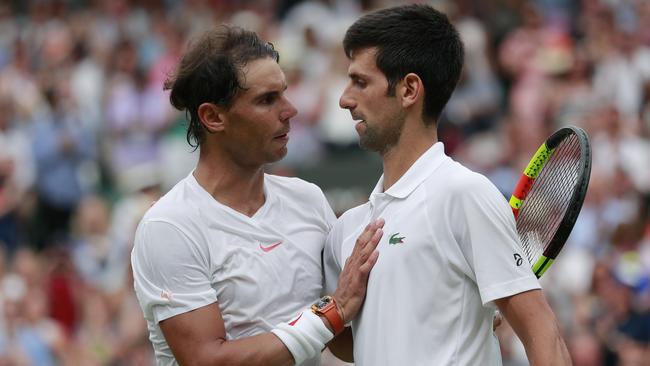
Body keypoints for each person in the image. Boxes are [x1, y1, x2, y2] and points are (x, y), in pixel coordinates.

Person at [323, 4, 572, 365]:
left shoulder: (463, 194)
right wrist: (340, 308)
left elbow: (542, 332)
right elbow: (352, 346)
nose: (345, 99)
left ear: (409, 90)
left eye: (360, 82)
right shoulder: (347, 229)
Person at [130, 26, 383, 366]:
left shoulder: (307, 199)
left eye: (284, 93)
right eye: (267, 99)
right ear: (213, 117)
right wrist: (332, 313)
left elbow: (342, 341)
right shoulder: (170, 225)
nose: (290, 110)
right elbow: (207, 360)